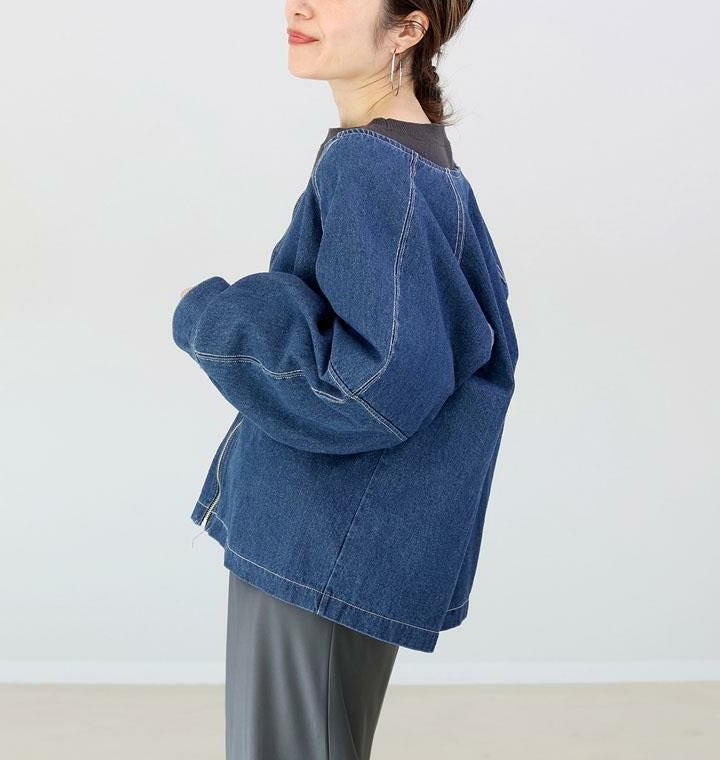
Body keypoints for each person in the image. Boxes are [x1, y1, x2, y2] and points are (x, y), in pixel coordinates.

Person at [172, 1, 519, 758]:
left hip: (318, 535)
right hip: (339, 536)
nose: (299, 5)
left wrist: (213, 314)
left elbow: (370, 385)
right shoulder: (418, 160)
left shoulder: (370, 164)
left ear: (407, 29)